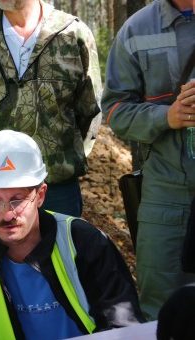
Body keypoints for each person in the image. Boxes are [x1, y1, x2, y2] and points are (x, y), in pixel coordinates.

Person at [0, 130, 144, 339]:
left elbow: (124, 327)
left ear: (40, 195)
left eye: (18, 199)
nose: (8, 214)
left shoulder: (84, 242)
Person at [0, 0, 102, 228]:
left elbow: (89, 111)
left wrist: (59, 160)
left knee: (60, 260)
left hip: (56, 190)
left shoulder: (71, 34)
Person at [101, 0, 195, 320]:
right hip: (167, 193)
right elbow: (114, 110)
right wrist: (168, 116)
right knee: (162, 305)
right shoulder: (137, 29)